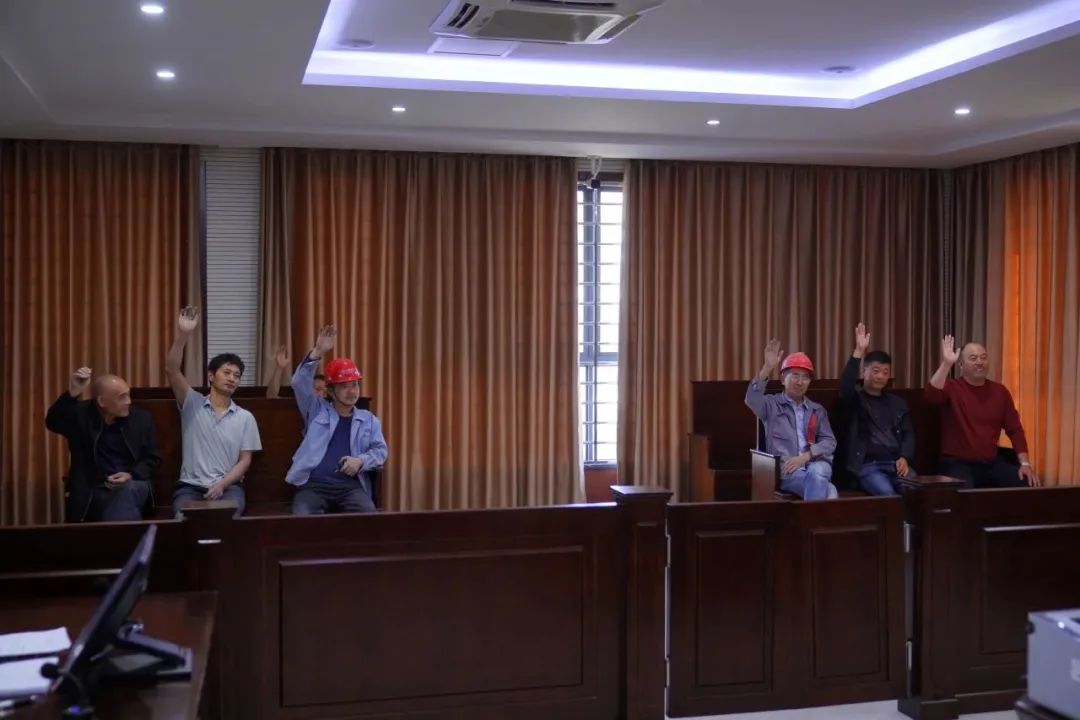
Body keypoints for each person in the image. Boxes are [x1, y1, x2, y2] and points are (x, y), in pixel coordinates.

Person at [165, 306, 262, 516]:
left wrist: (222, 484)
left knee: (226, 521)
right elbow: (172, 369)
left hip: (228, 487)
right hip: (190, 486)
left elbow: (245, 460)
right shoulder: (192, 403)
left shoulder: (245, 417)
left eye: (236, 375)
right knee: (183, 521)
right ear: (211, 376)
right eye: (226, 372)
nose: (232, 378)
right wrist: (183, 335)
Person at [286, 324, 387, 514]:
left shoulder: (369, 420)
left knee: (370, 518)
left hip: (351, 487)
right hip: (313, 486)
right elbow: (298, 383)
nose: (352, 391)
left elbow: (381, 451)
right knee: (300, 518)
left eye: (354, 385)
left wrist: (360, 461)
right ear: (331, 391)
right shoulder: (316, 410)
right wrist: (318, 351)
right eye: (344, 386)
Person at [45, 368, 160, 522]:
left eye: (128, 395)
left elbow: (153, 457)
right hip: (94, 489)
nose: (129, 401)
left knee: (127, 491)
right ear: (101, 402)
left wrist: (131, 474)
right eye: (122, 397)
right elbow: (52, 422)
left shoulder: (141, 419)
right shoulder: (81, 416)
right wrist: (72, 394)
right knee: (108, 504)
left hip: (134, 483)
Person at [926, 335, 1039, 488]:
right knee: (965, 493)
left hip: (990, 463)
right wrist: (946, 364)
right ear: (961, 365)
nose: (980, 362)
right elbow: (931, 396)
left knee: (1026, 482)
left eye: (983, 357)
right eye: (973, 358)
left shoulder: (1000, 391)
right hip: (957, 463)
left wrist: (1025, 464)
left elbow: (1015, 430)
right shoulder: (951, 387)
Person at [745, 339, 838, 500]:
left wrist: (806, 457)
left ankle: (810, 517)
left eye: (805, 377)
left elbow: (830, 442)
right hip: (789, 472)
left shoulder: (817, 410)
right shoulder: (771, 405)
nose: (800, 382)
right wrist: (767, 368)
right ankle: (816, 517)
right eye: (795, 376)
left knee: (817, 472)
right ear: (783, 379)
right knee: (829, 491)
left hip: (816, 464)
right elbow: (751, 399)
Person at [838, 323, 916, 496]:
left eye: (885, 372)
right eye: (876, 371)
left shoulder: (897, 403)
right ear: (864, 372)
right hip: (867, 466)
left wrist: (904, 457)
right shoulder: (855, 399)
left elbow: (908, 434)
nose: (880, 376)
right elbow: (845, 387)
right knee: (887, 494)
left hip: (895, 464)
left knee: (917, 490)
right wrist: (858, 351)